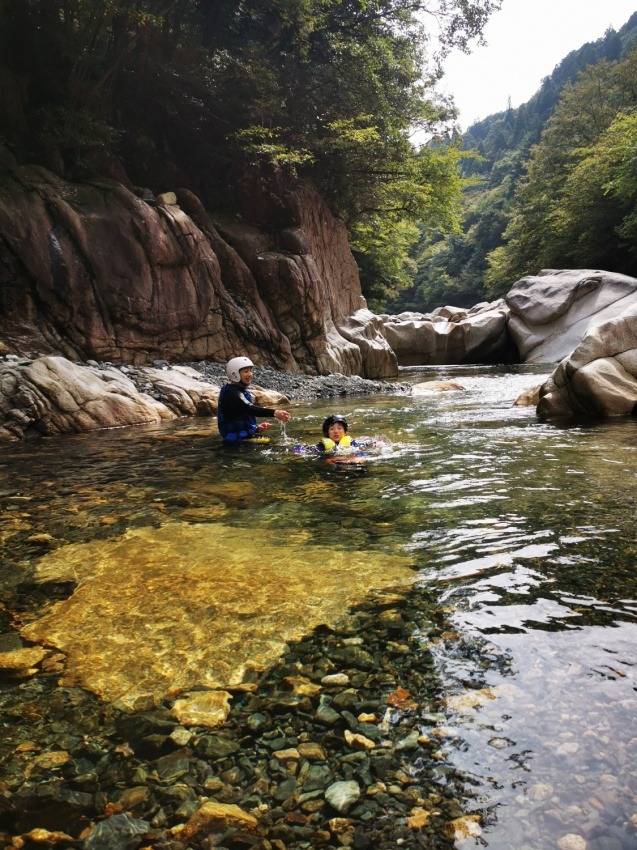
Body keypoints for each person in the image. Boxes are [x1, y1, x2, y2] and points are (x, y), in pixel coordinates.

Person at [217, 356, 290, 442]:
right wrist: (275, 413)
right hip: (236, 440)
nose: (250, 374)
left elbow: (241, 414)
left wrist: (256, 428)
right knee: (276, 445)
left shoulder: (237, 390)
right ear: (234, 374)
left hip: (242, 437)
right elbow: (249, 408)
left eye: (250, 371)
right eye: (246, 371)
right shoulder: (232, 393)